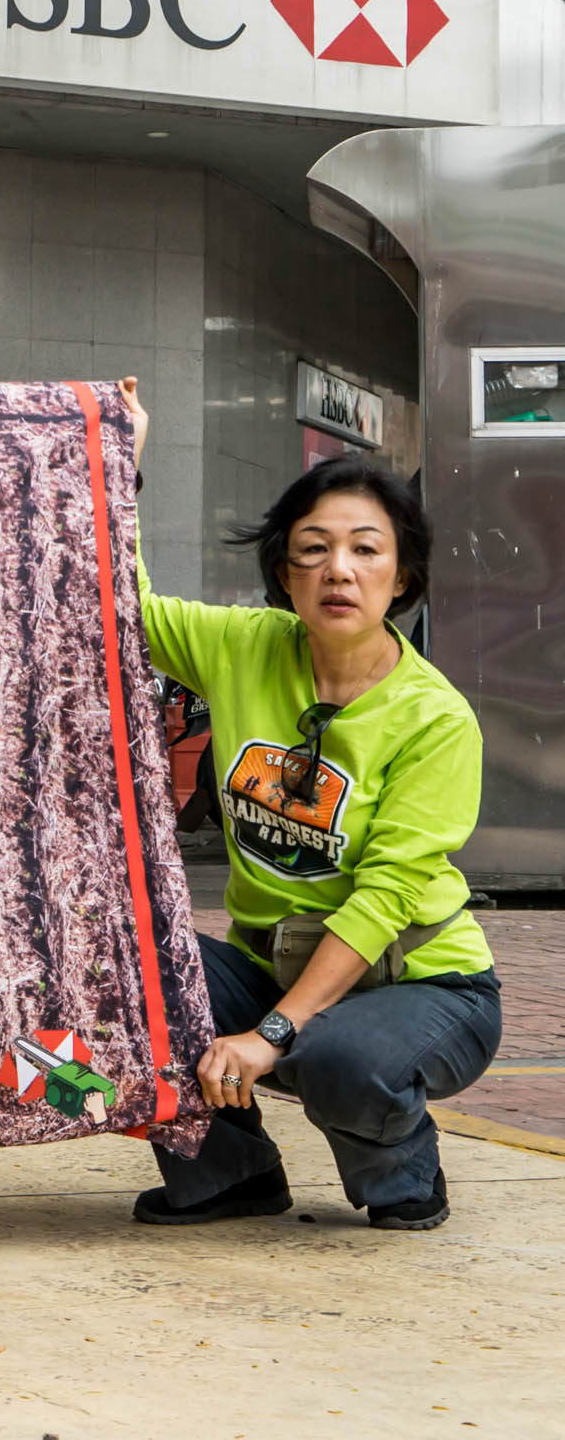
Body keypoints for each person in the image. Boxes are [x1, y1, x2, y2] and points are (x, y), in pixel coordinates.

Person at [120, 378, 500, 1232]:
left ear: (401, 574)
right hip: (271, 966)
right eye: (312, 548)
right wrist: (122, 457)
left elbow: (383, 899)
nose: (338, 569)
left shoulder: (433, 718)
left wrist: (275, 1034)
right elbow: (121, 610)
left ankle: (402, 1175)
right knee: (121, 974)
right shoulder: (244, 647)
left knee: (340, 1056)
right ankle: (226, 1174)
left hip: (423, 985)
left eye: (366, 550)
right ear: (281, 572)